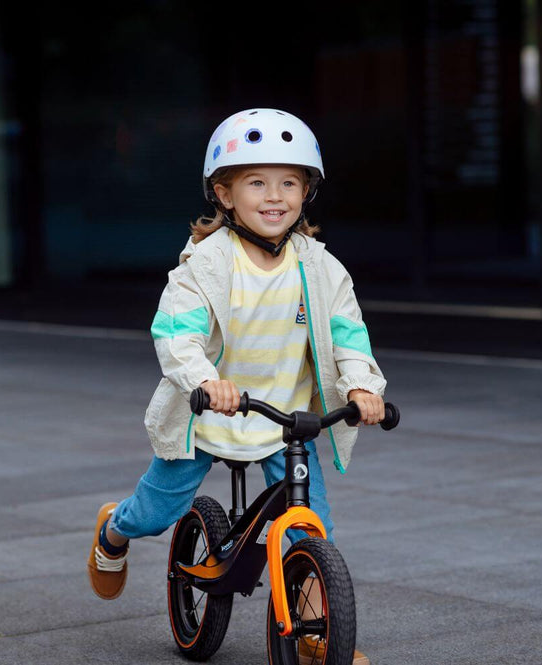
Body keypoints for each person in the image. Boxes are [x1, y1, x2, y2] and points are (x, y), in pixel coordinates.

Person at [87, 108, 386, 664]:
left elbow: (348, 333)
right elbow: (176, 332)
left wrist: (362, 387)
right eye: (256, 183)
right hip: (210, 413)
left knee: (310, 528)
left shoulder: (320, 268)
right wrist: (205, 380)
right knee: (156, 511)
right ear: (224, 194)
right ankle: (114, 530)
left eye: (289, 183)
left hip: (282, 420)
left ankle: (315, 632)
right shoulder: (206, 266)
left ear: (307, 192)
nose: (274, 197)